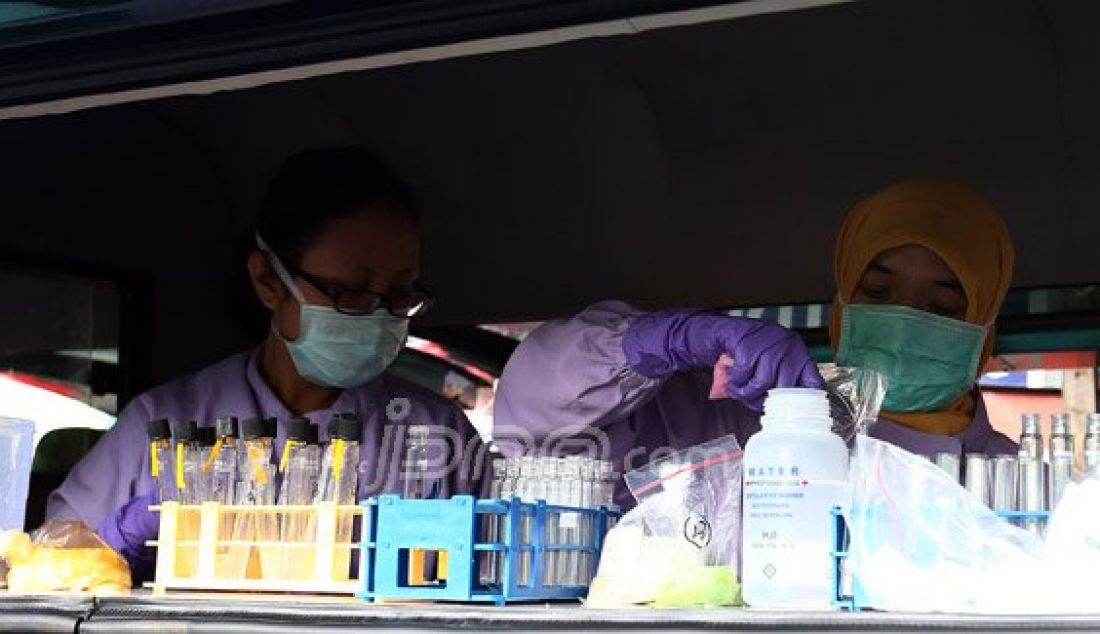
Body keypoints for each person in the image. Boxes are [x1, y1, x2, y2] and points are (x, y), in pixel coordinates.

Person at [47, 147, 486, 578]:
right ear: (269, 281)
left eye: (400, 292)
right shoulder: (164, 423)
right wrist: (112, 546)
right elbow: (47, 576)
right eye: (351, 291)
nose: (378, 314)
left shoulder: (437, 436)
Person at [493, 178, 1016, 506]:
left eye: (941, 308)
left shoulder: (1017, 480)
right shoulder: (738, 414)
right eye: (877, 291)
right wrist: (676, 338)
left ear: (986, 330)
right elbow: (533, 415)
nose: (903, 323)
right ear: (841, 307)